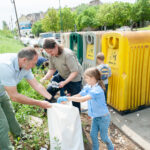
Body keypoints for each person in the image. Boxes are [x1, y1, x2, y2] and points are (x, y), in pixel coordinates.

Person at [0, 47, 52, 150]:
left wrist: (50, 99)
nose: (34, 66)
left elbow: (37, 85)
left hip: (1, 92)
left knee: (10, 114)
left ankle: (20, 136)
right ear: (24, 60)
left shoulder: (25, 66)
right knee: (2, 125)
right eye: (33, 63)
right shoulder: (5, 65)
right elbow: (14, 96)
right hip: (7, 91)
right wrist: (38, 103)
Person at [57, 67, 114, 150]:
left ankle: (111, 147)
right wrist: (67, 98)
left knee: (104, 137)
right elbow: (80, 95)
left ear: (93, 78)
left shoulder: (97, 90)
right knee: (93, 135)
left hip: (103, 117)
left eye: (86, 78)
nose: (85, 79)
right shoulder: (89, 86)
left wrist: (68, 99)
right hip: (95, 117)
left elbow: (82, 99)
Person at [40, 39, 83, 111]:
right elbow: (52, 69)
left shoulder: (67, 54)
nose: (50, 54)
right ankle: (47, 111)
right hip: (62, 75)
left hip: (75, 78)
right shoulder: (51, 55)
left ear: (56, 46)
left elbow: (75, 72)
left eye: (51, 51)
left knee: (75, 100)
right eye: (48, 52)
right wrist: (45, 78)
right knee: (49, 90)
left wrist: (65, 82)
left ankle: (76, 116)